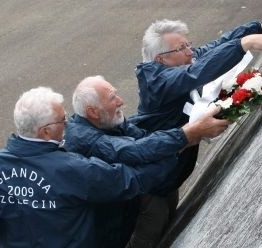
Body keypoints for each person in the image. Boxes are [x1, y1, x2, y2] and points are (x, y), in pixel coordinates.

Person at [0, 86, 209, 247]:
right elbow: (131, 181)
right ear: (45, 131)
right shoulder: (70, 168)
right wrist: (181, 143)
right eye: (62, 120)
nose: (67, 123)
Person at [127, 14, 262, 245]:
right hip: (151, 188)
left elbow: (213, 48)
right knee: (148, 237)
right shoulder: (157, 83)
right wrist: (243, 44)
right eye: (182, 48)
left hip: (168, 176)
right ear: (161, 59)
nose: (190, 52)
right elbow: (195, 73)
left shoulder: (180, 60)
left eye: (188, 44)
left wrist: (261, 27)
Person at [64, 76, 230, 247]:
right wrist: (187, 134)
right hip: (107, 222)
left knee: (164, 184)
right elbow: (135, 151)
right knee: (153, 201)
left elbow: (144, 141)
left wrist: (184, 138)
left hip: (123, 199)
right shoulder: (84, 138)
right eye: (113, 98)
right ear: (93, 112)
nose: (120, 101)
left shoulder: (107, 120)